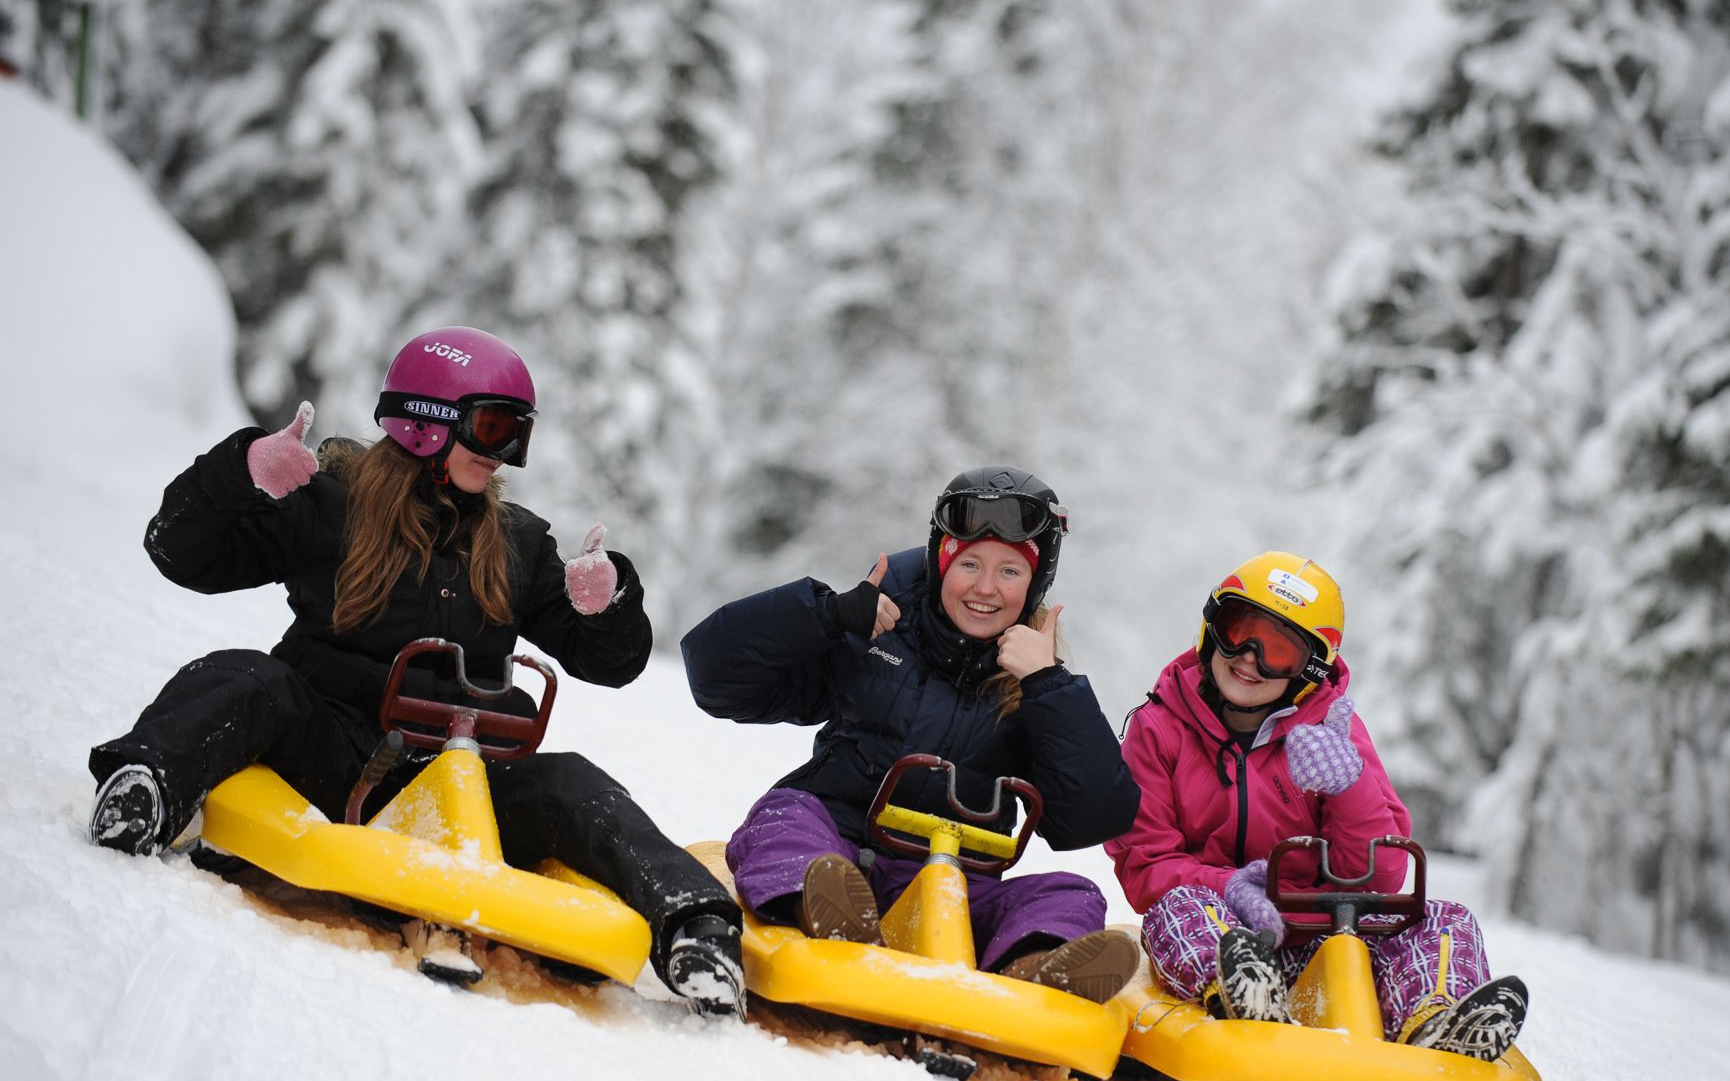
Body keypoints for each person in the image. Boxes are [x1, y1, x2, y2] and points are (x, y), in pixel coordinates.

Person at [87, 326, 744, 1017]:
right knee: (246, 677)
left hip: (461, 774)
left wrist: (608, 606)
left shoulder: (516, 544)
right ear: (427, 423)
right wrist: (238, 476)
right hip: (330, 750)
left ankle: (695, 928)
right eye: (491, 429)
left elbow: (611, 664)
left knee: (575, 784)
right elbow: (180, 555)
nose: (503, 457)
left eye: (515, 436)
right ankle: (149, 790)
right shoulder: (331, 507)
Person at [680, 468, 1142, 1002]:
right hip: (838, 843)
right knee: (786, 816)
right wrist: (825, 615)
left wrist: (1048, 685)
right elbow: (716, 679)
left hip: (954, 886)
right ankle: (823, 908)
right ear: (940, 564)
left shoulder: (1032, 687)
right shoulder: (878, 632)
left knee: (1071, 894)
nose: (986, 588)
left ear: (1035, 585)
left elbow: (1095, 816)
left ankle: (1036, 967)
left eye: (1010, 571)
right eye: (969, 563)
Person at [1106, 552, 1528, 1059]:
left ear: (1308, 667)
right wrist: (1231, 888)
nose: (1248, 659)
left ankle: (1438, 1020)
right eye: (1239, 632)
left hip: (1324, 936)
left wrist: (1348, 789)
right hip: (1223, 924)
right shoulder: (1159, 726)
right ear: (1211, 628)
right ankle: (1241, 990)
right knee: (1177, 908)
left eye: (1277, 651)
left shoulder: (1332, 731)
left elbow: (1382, 873)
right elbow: (1145, 864)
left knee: (1442, 919)